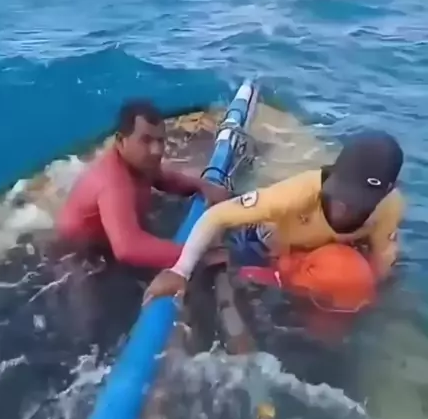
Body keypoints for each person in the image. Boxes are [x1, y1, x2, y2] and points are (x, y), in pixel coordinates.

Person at [143, 130, 405, 309]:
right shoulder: (299, 193)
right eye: (342, 194)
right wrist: (180, 271)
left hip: (322, 263)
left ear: (386, 192)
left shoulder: (390, 206)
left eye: (359, 202)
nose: (345, 208)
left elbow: (383, 260)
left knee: (354, 284)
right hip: (268, 247)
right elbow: (216, 215)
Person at [56, 100, 230, 270]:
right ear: (121, 141)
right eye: (146, 140)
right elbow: (128, 249)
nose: (156, 150)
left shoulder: (139, 163)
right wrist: (198, 255)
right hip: (79, 257)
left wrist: (204, 186)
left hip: (112, 237)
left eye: (160, 140)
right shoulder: (113, 183)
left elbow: (164, 179)